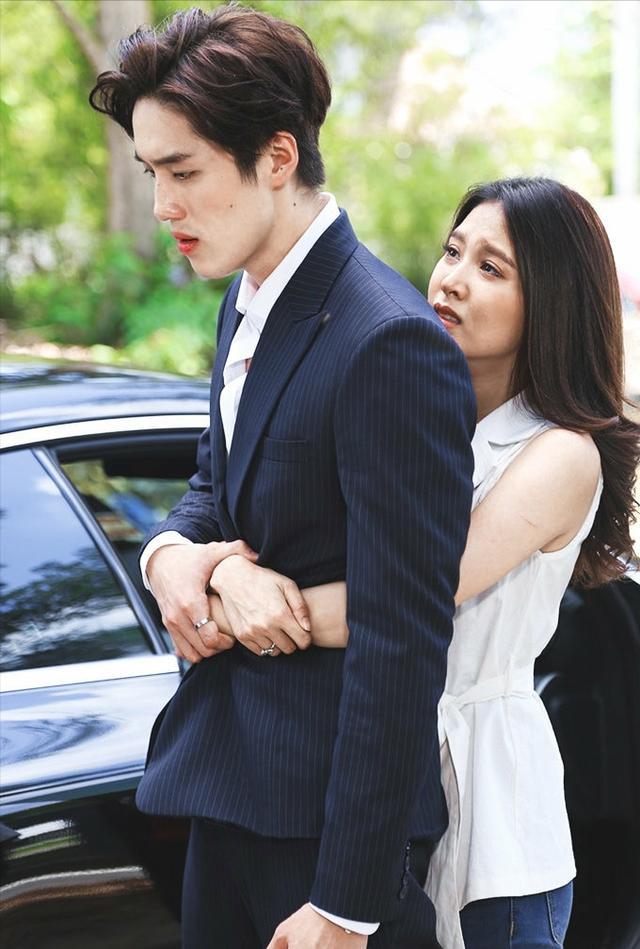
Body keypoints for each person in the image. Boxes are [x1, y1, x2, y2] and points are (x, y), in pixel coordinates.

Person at [89, 6, 475, 948]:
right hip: (224, 789)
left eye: (183, 172)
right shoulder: (246, 295)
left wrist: (349, 901)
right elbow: (212, 489)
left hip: (325, 843)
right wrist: (180, 558)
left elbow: (402, 641)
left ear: (275, 157)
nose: (162, 205)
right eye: (150, 173)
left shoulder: (389, 341)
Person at [204, 176, 639, 948]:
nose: (453, 279)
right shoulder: (413, 408)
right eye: (453, 251)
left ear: (555, 300)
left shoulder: (560, 454)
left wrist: (242, 607)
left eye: (492, 268)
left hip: (494, 832)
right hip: (382, 802)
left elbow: (413, 599)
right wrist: (221, 569)